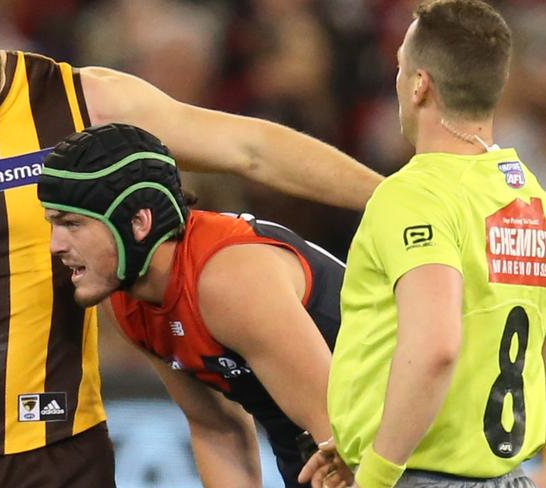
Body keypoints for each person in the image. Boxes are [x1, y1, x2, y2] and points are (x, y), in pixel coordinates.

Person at [0, 1, 381, 486]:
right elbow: (219, 429)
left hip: (64, 443)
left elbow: (251, 151)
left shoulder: (82, 100)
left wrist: (395, 199)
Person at [300, 1, 546, 487]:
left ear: (420, 84)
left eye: (400, 66)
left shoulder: (414, 196)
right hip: (506, 473)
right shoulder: (525, 196)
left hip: (424, 476)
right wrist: (360, 437)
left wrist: (375, 473)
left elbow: (435, 347)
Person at [37, 122, 353, 488]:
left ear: (139, 223)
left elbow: (343, 433)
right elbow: (218, 429)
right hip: (316, 443)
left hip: (391, 431)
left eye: (72, 224)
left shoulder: (228, 281)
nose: (55, 245)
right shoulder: (124, 296)